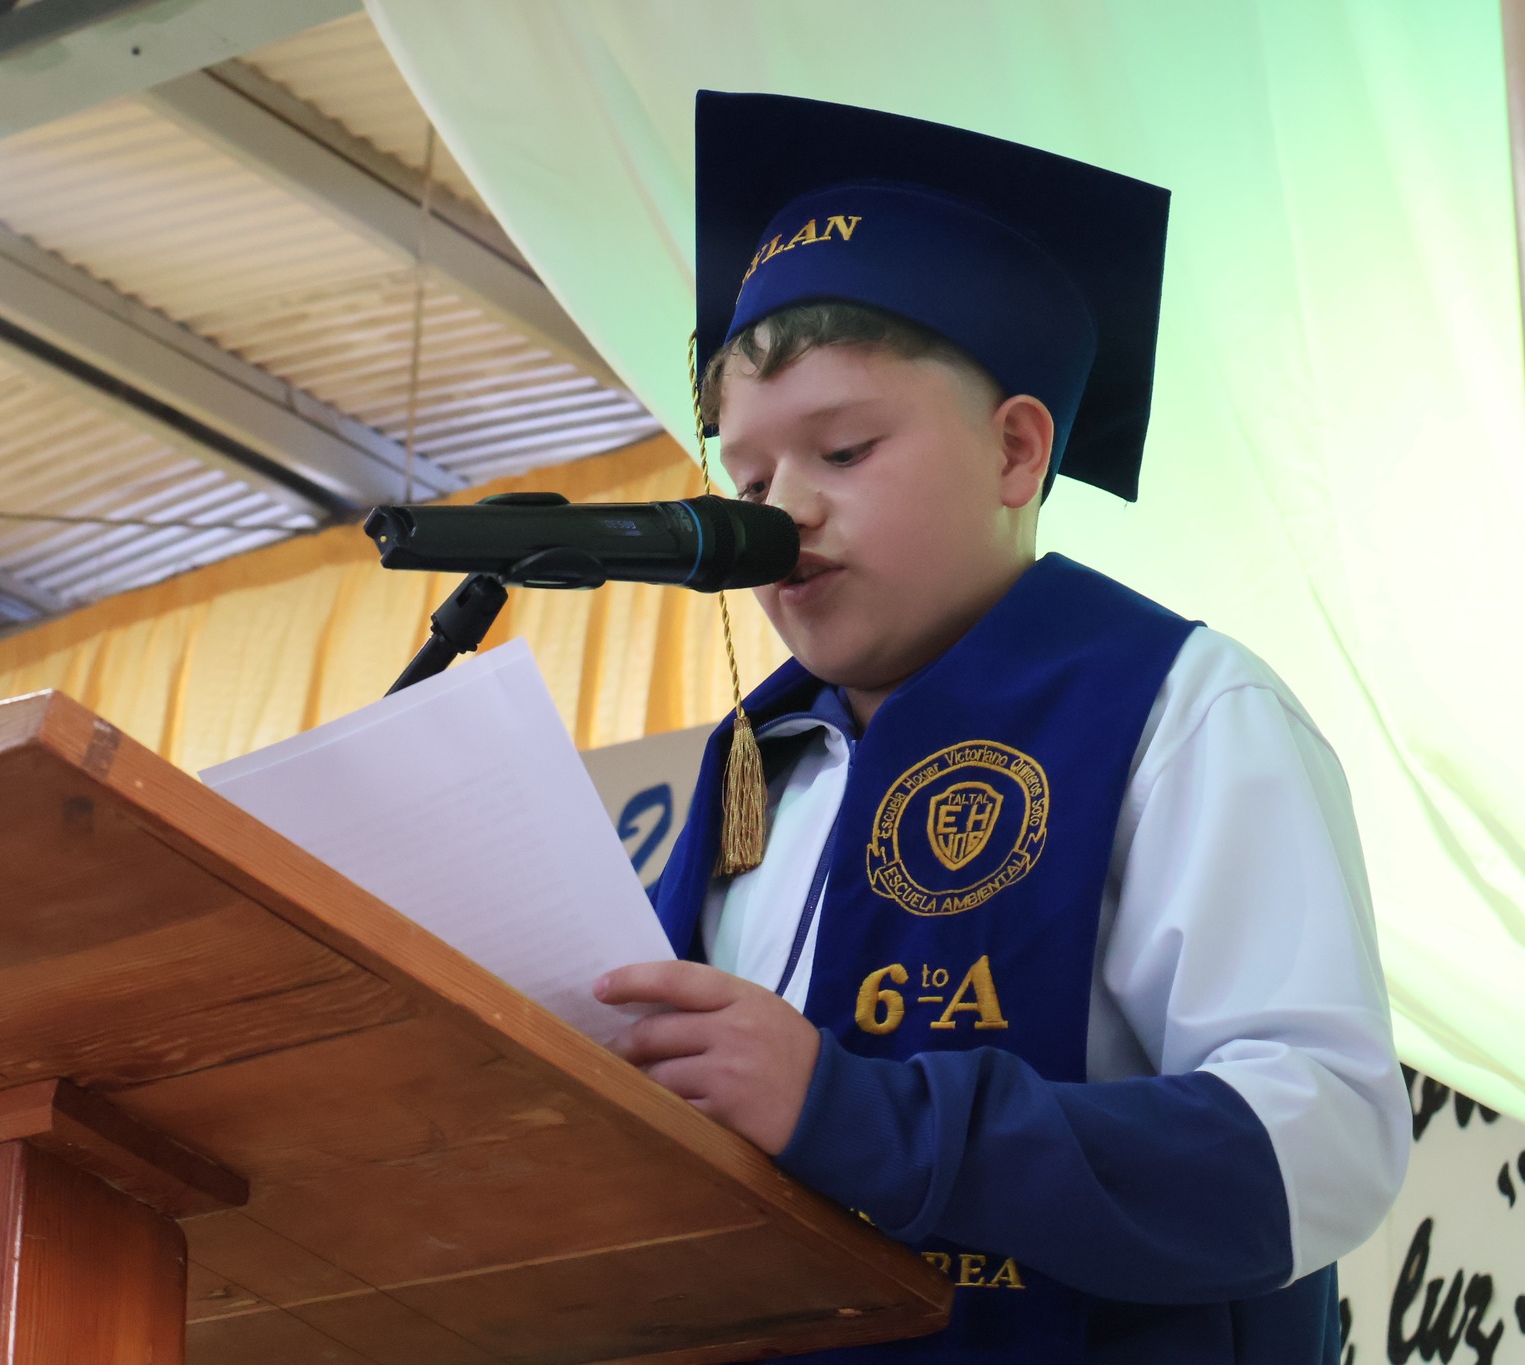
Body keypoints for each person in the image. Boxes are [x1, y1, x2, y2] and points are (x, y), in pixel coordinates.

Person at [592, 92, 1410, 1364]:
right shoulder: (757, 762)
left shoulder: (1179, 709)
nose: (776, 514)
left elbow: (1321, 1148)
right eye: (745, 479)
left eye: (844, 450)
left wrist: (857, 1114)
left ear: (1016, 451)